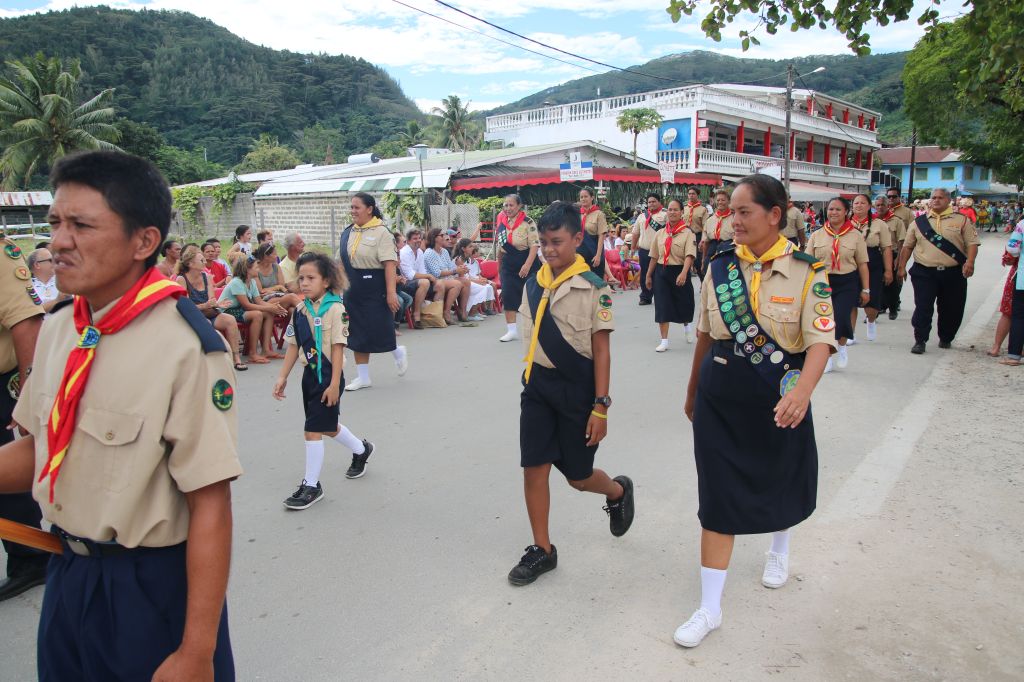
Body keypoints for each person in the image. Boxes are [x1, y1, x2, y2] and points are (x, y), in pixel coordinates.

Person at [2, 150, 239, 678]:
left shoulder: (185, 347)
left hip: (149, 591)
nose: (58, 242)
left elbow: (211, 503)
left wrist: (195, 652)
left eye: (81, 225)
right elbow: (43, 447)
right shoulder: (61, 326)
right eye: (55, 224)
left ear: (144, 242)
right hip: (67, 575)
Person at [675, 173, 836, 649]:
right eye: (732, 212)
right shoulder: (720, 265)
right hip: (720, 394)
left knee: (778, 474)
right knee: (717, 496)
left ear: (775, 214)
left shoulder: (809, 272)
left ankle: (778, 549)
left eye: (744, 212)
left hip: (777, 394)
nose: (734, 221)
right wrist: (691, 391)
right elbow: (705, 333)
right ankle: (709, 608)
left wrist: (802, 392)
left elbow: (820, 342)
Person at [508, 200, 634, 586]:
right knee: (534, 466)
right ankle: (542, 549)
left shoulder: (596, 289)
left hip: (579, 391)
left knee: (578, 477)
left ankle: (616, 491)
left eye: (557, 242)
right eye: (543, 242)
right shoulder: (534, 282)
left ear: (578, 238)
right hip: (538, 386)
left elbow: (601, 351)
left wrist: (601, 406)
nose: (548, 250)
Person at [273, 252, 376, 509]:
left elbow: (339, 348)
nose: (304, 283)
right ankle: (362, 449)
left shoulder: (336, 308)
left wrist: (333, 385)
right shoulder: (299, 310)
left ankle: (311, 485)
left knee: (312, 429)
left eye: (311, 278)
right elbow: (294, 345)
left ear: (327, 281)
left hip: (329, 376)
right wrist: (282, 376)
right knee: (327, 427)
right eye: (301, 278)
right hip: (310, 376)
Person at [0, 236, 47, 603]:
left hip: (4, 382)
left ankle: (29, 556)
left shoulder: (3, 253)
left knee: (11, 478)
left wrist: (27, 397)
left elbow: (25, 322)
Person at [897, 188, 981, 354]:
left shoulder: (962, 220)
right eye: (933, 197)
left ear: (948, 200)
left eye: (940, 198)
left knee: (951, 307)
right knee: (923, 307)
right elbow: (907, 247)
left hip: (953, 273)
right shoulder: (919, 222)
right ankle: (920, 340)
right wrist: (901, 267)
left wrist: (970, 262)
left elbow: (972, 243)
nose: (936, 200)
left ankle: (946, 337)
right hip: (924, 272)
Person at [338, 192, 407, 391]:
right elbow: (342, 261)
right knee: (357, 331)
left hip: (375, 286)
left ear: (369, 209)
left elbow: (389, 264)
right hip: (353, 287)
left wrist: (391, 292)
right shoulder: (348, 232)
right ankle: (363, 377)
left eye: (356, 207)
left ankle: (397, 352)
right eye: (351, 207)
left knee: (380, 326)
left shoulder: (381, 232)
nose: (353, 211)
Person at [804, 197, 869, 372]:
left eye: (838, 209)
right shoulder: (817, 234)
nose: (833, 212)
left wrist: (866, 289)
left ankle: (841, 347)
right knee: (823, 320)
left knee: (840, 318)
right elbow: (807, 262)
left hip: (847, 281)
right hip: (822, 282)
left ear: (846, 212)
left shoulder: (855, 235)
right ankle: (827, 357)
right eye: (831, 209)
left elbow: (862, 264)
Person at [176, 245, 247, 371]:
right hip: (194, 316)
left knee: (230, 320)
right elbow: (185, 307)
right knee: (206, 323)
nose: (205, 262)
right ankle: (208, 361)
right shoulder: (181, 279)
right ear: (190, 264)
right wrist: (206, 305)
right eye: (201, 260)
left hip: (209, 312)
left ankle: (235, 358)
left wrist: (217, 304)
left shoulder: (206, 277)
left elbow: (211, 300)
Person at [646, 198, 698, 352]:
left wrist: (684, 273)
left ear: (682, 212)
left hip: (680, 271)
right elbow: (654, 256)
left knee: (684, 304)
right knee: (662, 305)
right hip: (662, 272)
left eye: (676, 209)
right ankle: (664, 340)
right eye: (670, 209)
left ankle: (687, 325)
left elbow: (690, 255)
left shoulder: (688, 233)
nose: (672, 212)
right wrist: (649, 275)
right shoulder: (661, 233)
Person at [217, 256, 286, 364]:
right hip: (227, 311)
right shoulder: (237, 282)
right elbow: (247, 305)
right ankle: (252, 353)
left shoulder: (252, 282)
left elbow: (258, 301)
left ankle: (266, 350)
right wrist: (269, 307)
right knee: (257, 314)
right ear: (247, 269)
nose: (258, 269)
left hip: (239, 309)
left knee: (268, 313)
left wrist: (272, 308)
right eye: (256, 267)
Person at [496, 194, 540, 342]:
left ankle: (537, 327)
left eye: (511, 205)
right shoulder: (502, 223)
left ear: (519, 206)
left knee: (532, 295)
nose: (508, 208)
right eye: (506, 205)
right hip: (509, 263)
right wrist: (499, 265)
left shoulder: (528, 222)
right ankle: (511, 330)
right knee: (508, 294)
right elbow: (500, 248)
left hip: (527, 259)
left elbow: (534, 245)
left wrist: (527, 265)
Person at [851, 194, 893, 342]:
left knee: (872, 301)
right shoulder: (846, 223)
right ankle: (851, 333)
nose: (859, 205)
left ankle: (871, 321)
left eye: (863, 203)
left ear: (869, 206)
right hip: (851, 262)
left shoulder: (879, 224)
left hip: (872, 262)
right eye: (856, 203)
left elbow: (886, 248)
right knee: (850, 299)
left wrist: (888, 270)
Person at [423, 228, 469, 325]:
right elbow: (437, 273)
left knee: (466, 281)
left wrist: (461, 268)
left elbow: (450, 267)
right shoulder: (429, 252)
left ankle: (462, 311)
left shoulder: (444, 251)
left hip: (446, 278)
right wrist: (455, 271)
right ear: (435, 238)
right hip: (435, 281)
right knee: (456, 284)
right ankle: (446, 312)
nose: (445, 236)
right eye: (442, 235)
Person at [630, 193, 667, 305]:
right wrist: (632, 247)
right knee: (645, 273)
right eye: (649, 202)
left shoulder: (665, 215)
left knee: (659, 273)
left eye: (654, 201)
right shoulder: (642, 216)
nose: (651, 204)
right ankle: (645, 296)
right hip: (644, 250)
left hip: (660, 251)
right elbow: (635, 233)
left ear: (659, 202)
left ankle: (660, 296)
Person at [877, 193, 908, 319]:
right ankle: (878, 308)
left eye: (883, 205)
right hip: (877, 255)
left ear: (888, 205)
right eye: (877, 205)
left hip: (892, 254)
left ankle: (893, 308)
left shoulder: (896, 221)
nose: (880, 207)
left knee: (893, 284)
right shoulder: (872, 221)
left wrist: (899, 259)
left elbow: (902, 241)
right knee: (877, 284)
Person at [397, 228, 435, 329]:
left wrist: (428, 277)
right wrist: (428, 276)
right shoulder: (404, 252)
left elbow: (422, 271)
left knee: (439, 284)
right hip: (403, 283)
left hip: (415, 282)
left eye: (419, 238)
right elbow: (410, 275)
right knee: (425, 282)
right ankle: (416, 315)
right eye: (415, 238)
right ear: (408, 241)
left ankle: (436, 316)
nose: (418, 240)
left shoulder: (420, 252)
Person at [998, 221, 1024, 365]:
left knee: (1019, 317)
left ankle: (1014, 356)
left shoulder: (1022, 225)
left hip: (1023, 280)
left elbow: (1013, 248)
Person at [252, 242, 302, 316]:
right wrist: (278, 287)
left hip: (279, 296)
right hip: (264, 301)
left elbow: (282, 285)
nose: (277, 256)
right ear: (266, 256)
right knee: (291, 297)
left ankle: (309, 325)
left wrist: (274, 288)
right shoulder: (256, 268)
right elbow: (261, 291)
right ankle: (313, 316)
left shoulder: (276, 267)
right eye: (274, 254)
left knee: (292, 311)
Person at [454, 238, 496, 320]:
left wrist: (480, 280)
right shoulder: (459, 259)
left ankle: (474, 311)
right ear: (463, 249)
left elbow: (469, 276)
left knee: (487, 287)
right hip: (461, 282)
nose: (472, 248)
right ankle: (471, 313)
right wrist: (478, 282)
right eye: (470, 247)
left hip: (466, 281)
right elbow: (463, 277)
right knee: (483, 288)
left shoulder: (467, 258)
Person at [27, 247, 71, 313]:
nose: (55, 262)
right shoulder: (27, 286)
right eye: (50, 260)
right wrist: (57, 300)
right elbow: (31, 312)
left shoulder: (64, 280)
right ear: (37, 265)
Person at [577, 187, 608, 277]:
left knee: (596, 284)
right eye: (581, 197)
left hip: (593, 254)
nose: (583, 199)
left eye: (586, 196)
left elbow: (601, 236)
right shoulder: (578, 215)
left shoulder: (599, 214)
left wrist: (598, 255)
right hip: (580, 255)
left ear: (592, 198)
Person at [701, 189, 734, 261]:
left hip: (728, 252)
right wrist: (703, 259)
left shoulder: (735, 219)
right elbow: (706, 243)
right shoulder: (709, 220)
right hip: (711, 252)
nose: (720, 202)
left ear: (729, 201)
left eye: (723, 200)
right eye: (718, 200)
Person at [683, 187, 708, 275]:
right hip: (685, 236)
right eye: (689, 194)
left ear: (697, 195)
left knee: (698, 262)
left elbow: (705, 226)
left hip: (697, 237)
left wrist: (702, 240)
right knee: (684, 260)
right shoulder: (684, 208)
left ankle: (703, 282)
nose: (691, 195)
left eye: (693, 194)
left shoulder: (703, 209)